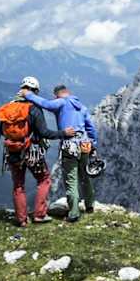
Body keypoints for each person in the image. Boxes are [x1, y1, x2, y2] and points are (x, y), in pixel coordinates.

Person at [0, 76, 76, 227]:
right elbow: (45, 132)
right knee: (44, 179)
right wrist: (63, 133)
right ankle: (39, 215)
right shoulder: (33, 109)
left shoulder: (8, 108)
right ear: (35, 91)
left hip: (13, 152)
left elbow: (2, 130)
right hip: (32, 153)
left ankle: (21, 219)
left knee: (18, 185)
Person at [20, 83, 97, 222]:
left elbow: (46, 104)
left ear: (56, 95)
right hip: (85, 144)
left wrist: (28, 95)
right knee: (85, 176)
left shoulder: (61, 102)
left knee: (71, 179)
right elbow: (91, 128)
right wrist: (93, 144)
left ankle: (74, 213)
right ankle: (90, 205)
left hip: (70, 145)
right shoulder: (82, 107)